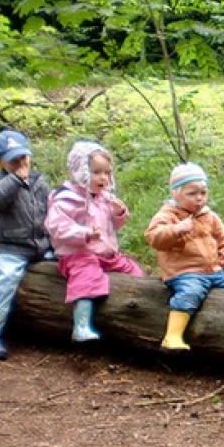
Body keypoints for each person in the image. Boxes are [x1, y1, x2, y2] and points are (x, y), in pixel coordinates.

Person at [145, 162, 224, 353]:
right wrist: (176, 230)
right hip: (185, 271)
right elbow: (154, 238)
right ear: (175, 193)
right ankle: (173, 336)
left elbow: (223, 239)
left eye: (203, 192)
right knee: (190, 293)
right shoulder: (168, 215)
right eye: (192, 194)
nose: (199, 198)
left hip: (214, 270)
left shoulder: (209, 216)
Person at [45, 140, 143, 342]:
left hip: (106, 253)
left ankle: (135, 315)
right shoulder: (68, 198)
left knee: (134, 271)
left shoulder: (104, 198)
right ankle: (81, 324)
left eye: (107, 172)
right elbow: (56, 227)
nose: (103, 178)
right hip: (77, 255)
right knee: (87, 275)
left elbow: (111, 228)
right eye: (97, 172)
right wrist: (85, 233)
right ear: (81, 171)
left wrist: (119, 214)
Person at [0, 129, 56, 360]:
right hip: (10, 247)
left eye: (24, 157)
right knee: (4, 279)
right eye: (13, 160)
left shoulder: (39, 182)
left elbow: (49, 211)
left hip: (40, 246)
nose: (21, 163)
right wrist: (15, 179)